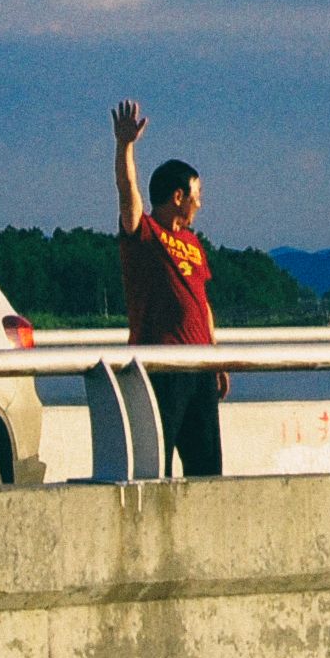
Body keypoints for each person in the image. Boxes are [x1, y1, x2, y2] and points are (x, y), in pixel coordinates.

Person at [110, 99, 221, 477]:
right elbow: (129, 195)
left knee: (207, 471)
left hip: (200, 367)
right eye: (197, 194)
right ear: (178, 196)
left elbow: (202, 303)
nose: (200, 203)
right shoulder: (145, 234)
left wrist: (216, 357)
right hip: (162, 367)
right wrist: (125, 146)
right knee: (157, 469)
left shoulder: (193, 243)